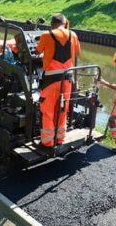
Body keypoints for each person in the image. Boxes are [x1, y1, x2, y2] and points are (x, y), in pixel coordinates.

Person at [36, 13, 81, 148]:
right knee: (62, 110)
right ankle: (60, 139)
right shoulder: (73, 35)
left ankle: (48, 142)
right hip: (67, 80)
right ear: (65, 22)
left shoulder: (46, 35)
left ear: (52, 24)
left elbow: (37, 51)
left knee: (48, 110)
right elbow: (76, 52)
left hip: (50, 80)